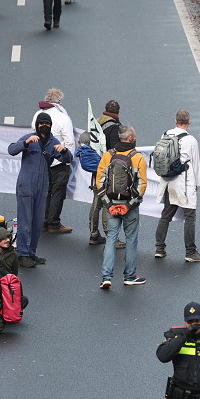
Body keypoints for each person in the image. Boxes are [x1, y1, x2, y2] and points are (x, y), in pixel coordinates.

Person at [8, 113, 74, 267]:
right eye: (41, 123)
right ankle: (23, 254)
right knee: (25, 221)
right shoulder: (29, 138)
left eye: (47, 123)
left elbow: (68, 159)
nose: (44, 125)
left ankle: (32, 252)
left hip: (43, 184)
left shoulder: (53, 142)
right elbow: (11, 150)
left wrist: (64, 151)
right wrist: (25, 143)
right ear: (37, 125)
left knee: (37, 221)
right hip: (26, 184)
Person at [155, 109, 200, 263]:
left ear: (175, 121)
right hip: (184, 182)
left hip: (167, 181)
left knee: (166, 215)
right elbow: (195, 163)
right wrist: (196, 183)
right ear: (189, 122)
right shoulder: (191, 140)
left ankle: (159, 248)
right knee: (190, 217)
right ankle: (190, 252)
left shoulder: (165, 135)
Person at [96, 125, 148, 287]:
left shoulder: (108, 155)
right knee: (131, 240)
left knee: (111, 238)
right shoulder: (137, 157)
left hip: (111, 205)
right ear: (131, 138)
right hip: (129, 207)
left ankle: (106, 277)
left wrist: (109, 205)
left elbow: (100, 182)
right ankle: (129, 276)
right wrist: (129, 206)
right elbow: (142, 186)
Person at [31, 89, 76, 234]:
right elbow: (69, 141)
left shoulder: (37, 114)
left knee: (45, 191)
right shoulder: (63, 117)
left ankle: (43, 222)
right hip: (59, 161)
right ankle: (54, 224)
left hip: (42, 160)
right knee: (58, 193)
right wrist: (68, 159)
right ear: (59, 101)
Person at [95, 100, 123, 247]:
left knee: (96, 202)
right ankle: (111, 237)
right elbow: (115, 149)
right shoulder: (114, 127)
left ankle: (93, 234)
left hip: (96, 166)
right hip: (108, 169)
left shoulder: (97, 122)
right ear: (117, 113)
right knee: (108, 203)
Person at [76, 132, 104, 246]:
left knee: (95, 205)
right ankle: (96, 234)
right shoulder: (101, 137)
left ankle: (94, 233)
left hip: (95, 178)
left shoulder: (92, 134)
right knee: (101, 207)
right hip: (103, 178)